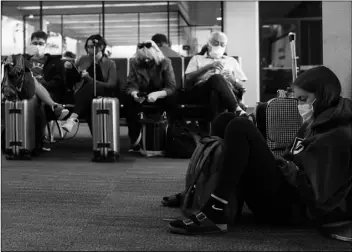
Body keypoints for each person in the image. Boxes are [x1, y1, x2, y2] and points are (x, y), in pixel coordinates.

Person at [166, 66, 352, 241]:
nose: (299, 106)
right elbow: (291, 158)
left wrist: (282, 165)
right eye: (297, 100)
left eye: (303, 99)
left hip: (294, 209)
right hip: (285, 192)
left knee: (241, 126)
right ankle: (202, 189)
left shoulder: (338, 137)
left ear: (323, 97)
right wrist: (278, 162)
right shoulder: (313, 124)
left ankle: (215, 212)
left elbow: (316, 195)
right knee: (226, 120)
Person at [124, 40, 177, 152]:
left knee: (173, 99)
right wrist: (135, 94)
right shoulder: (134, 63)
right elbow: (130, 85)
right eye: (143, 58)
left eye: (149, 57)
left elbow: (171, 87)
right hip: (142, 96)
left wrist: (158, 94)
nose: (146, 60)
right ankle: (135, 139)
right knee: (128, 100)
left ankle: (171, 137)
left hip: (161, 96)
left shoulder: (165, 62)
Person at [184, 31, 248, 121]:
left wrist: (233, 79)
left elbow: (241, 86)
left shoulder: (231, 61)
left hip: (226, 92)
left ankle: (214, 130)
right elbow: (188, 78)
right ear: (208, 44)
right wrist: (208, 67)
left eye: (222, 44)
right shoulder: (197, 59)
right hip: (202, 91)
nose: (219, 46)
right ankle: (236, 109)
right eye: (216, 43)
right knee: (216, 78)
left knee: (216, 92)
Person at [61, 34, 118, 133]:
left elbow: (111, 85)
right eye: (88, 47)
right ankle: (98, 138)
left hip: (102, 93)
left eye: (92, 47)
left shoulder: (110, 63)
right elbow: (73, 79)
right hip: (82, 93)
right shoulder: (82, 59)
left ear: (101, 47)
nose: (89, 49)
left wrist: (90, 79)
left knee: (90, 85)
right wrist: (69, 69)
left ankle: (73, 118)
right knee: (89, 101)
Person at [24, 30, 69, 121]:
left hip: (48, 91)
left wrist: (44, 83)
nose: (37, 46)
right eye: (34, 43)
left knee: (36, 98)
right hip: (25, 88)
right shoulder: (23, 61)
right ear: (30, 45)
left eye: (40, 43)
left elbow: (59, 81)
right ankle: (55, 107)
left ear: (46, 45)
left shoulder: (55, 62)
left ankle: (43, 133)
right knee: (32, 80)